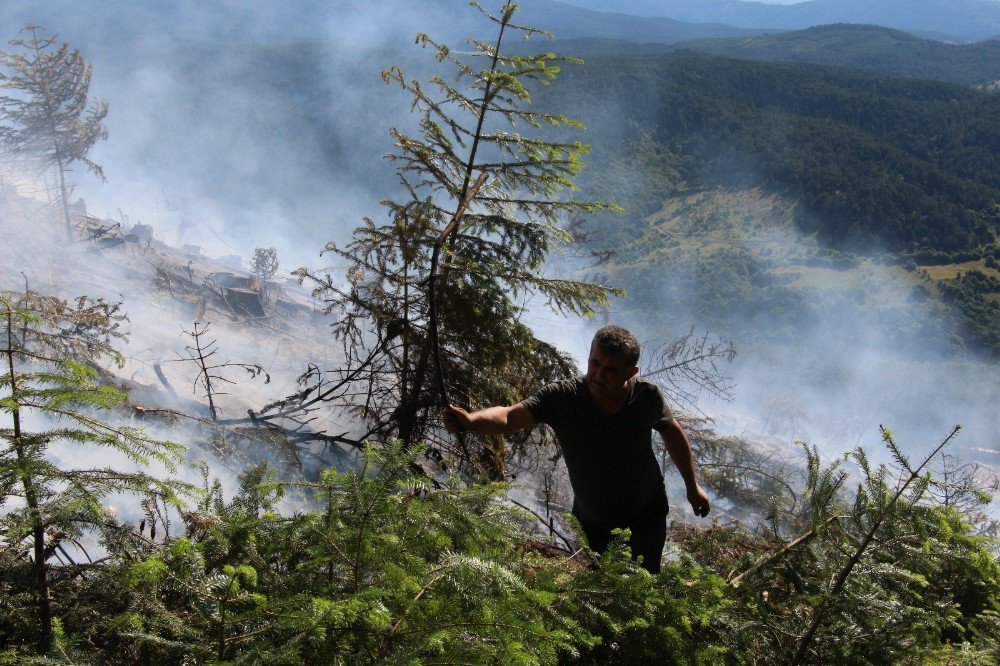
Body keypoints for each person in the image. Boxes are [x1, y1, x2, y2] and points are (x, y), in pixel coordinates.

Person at [444, 325, 710, 574]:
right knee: (603, 586)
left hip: (645, 511)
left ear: (630, 373)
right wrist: (471, 420)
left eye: (611, 370)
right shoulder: (563, 398)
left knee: (644, 581)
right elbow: (510, 417)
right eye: (595, 363)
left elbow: (672, 433)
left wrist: (692, 486)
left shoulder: (646, 397)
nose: (599, 375)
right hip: (594, 519)